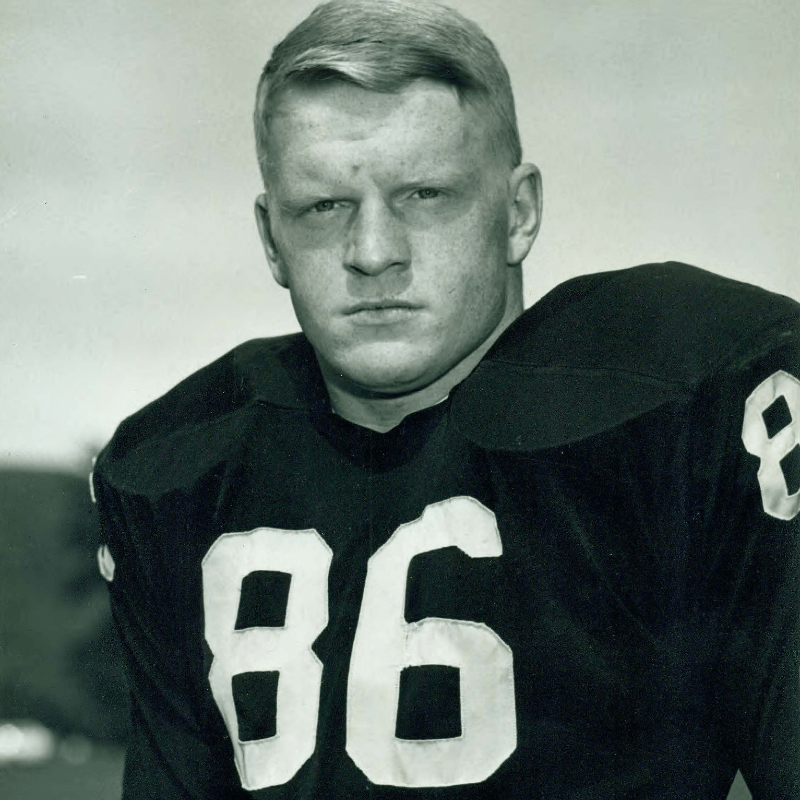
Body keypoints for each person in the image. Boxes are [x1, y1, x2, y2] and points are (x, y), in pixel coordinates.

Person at [92, 0, 799, 797]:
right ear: (271, 240)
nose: (373, 253)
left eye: (424, 195)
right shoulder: (178, 466)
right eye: (324, 207)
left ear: (519, 212)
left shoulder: (675, 397)